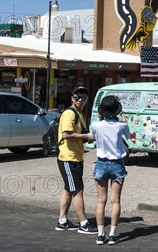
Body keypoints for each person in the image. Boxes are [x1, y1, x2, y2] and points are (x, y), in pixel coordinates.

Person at [55, 86, 97, 234]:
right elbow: (66, 134)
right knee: (77, 191)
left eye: (83, 98)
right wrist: (86, 137)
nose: (80, 100)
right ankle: (84, 223)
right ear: (72, 98)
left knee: (68, 189)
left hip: (75, 157)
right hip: (68, 158)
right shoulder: (69, 113)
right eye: (77, 97)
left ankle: (62, 221)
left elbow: (80, 134)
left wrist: (87, 138)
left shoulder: (80, 114)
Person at [90, 95, 131, 245]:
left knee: (101, 201)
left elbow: (93, 138)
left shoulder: (96, 125)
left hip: (101, 163)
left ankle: (101, 235)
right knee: (115, 201)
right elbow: (129, 135)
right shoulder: (121, 126)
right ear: (116, 111)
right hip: (117, 163)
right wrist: (123, 117)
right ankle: (113, 234)